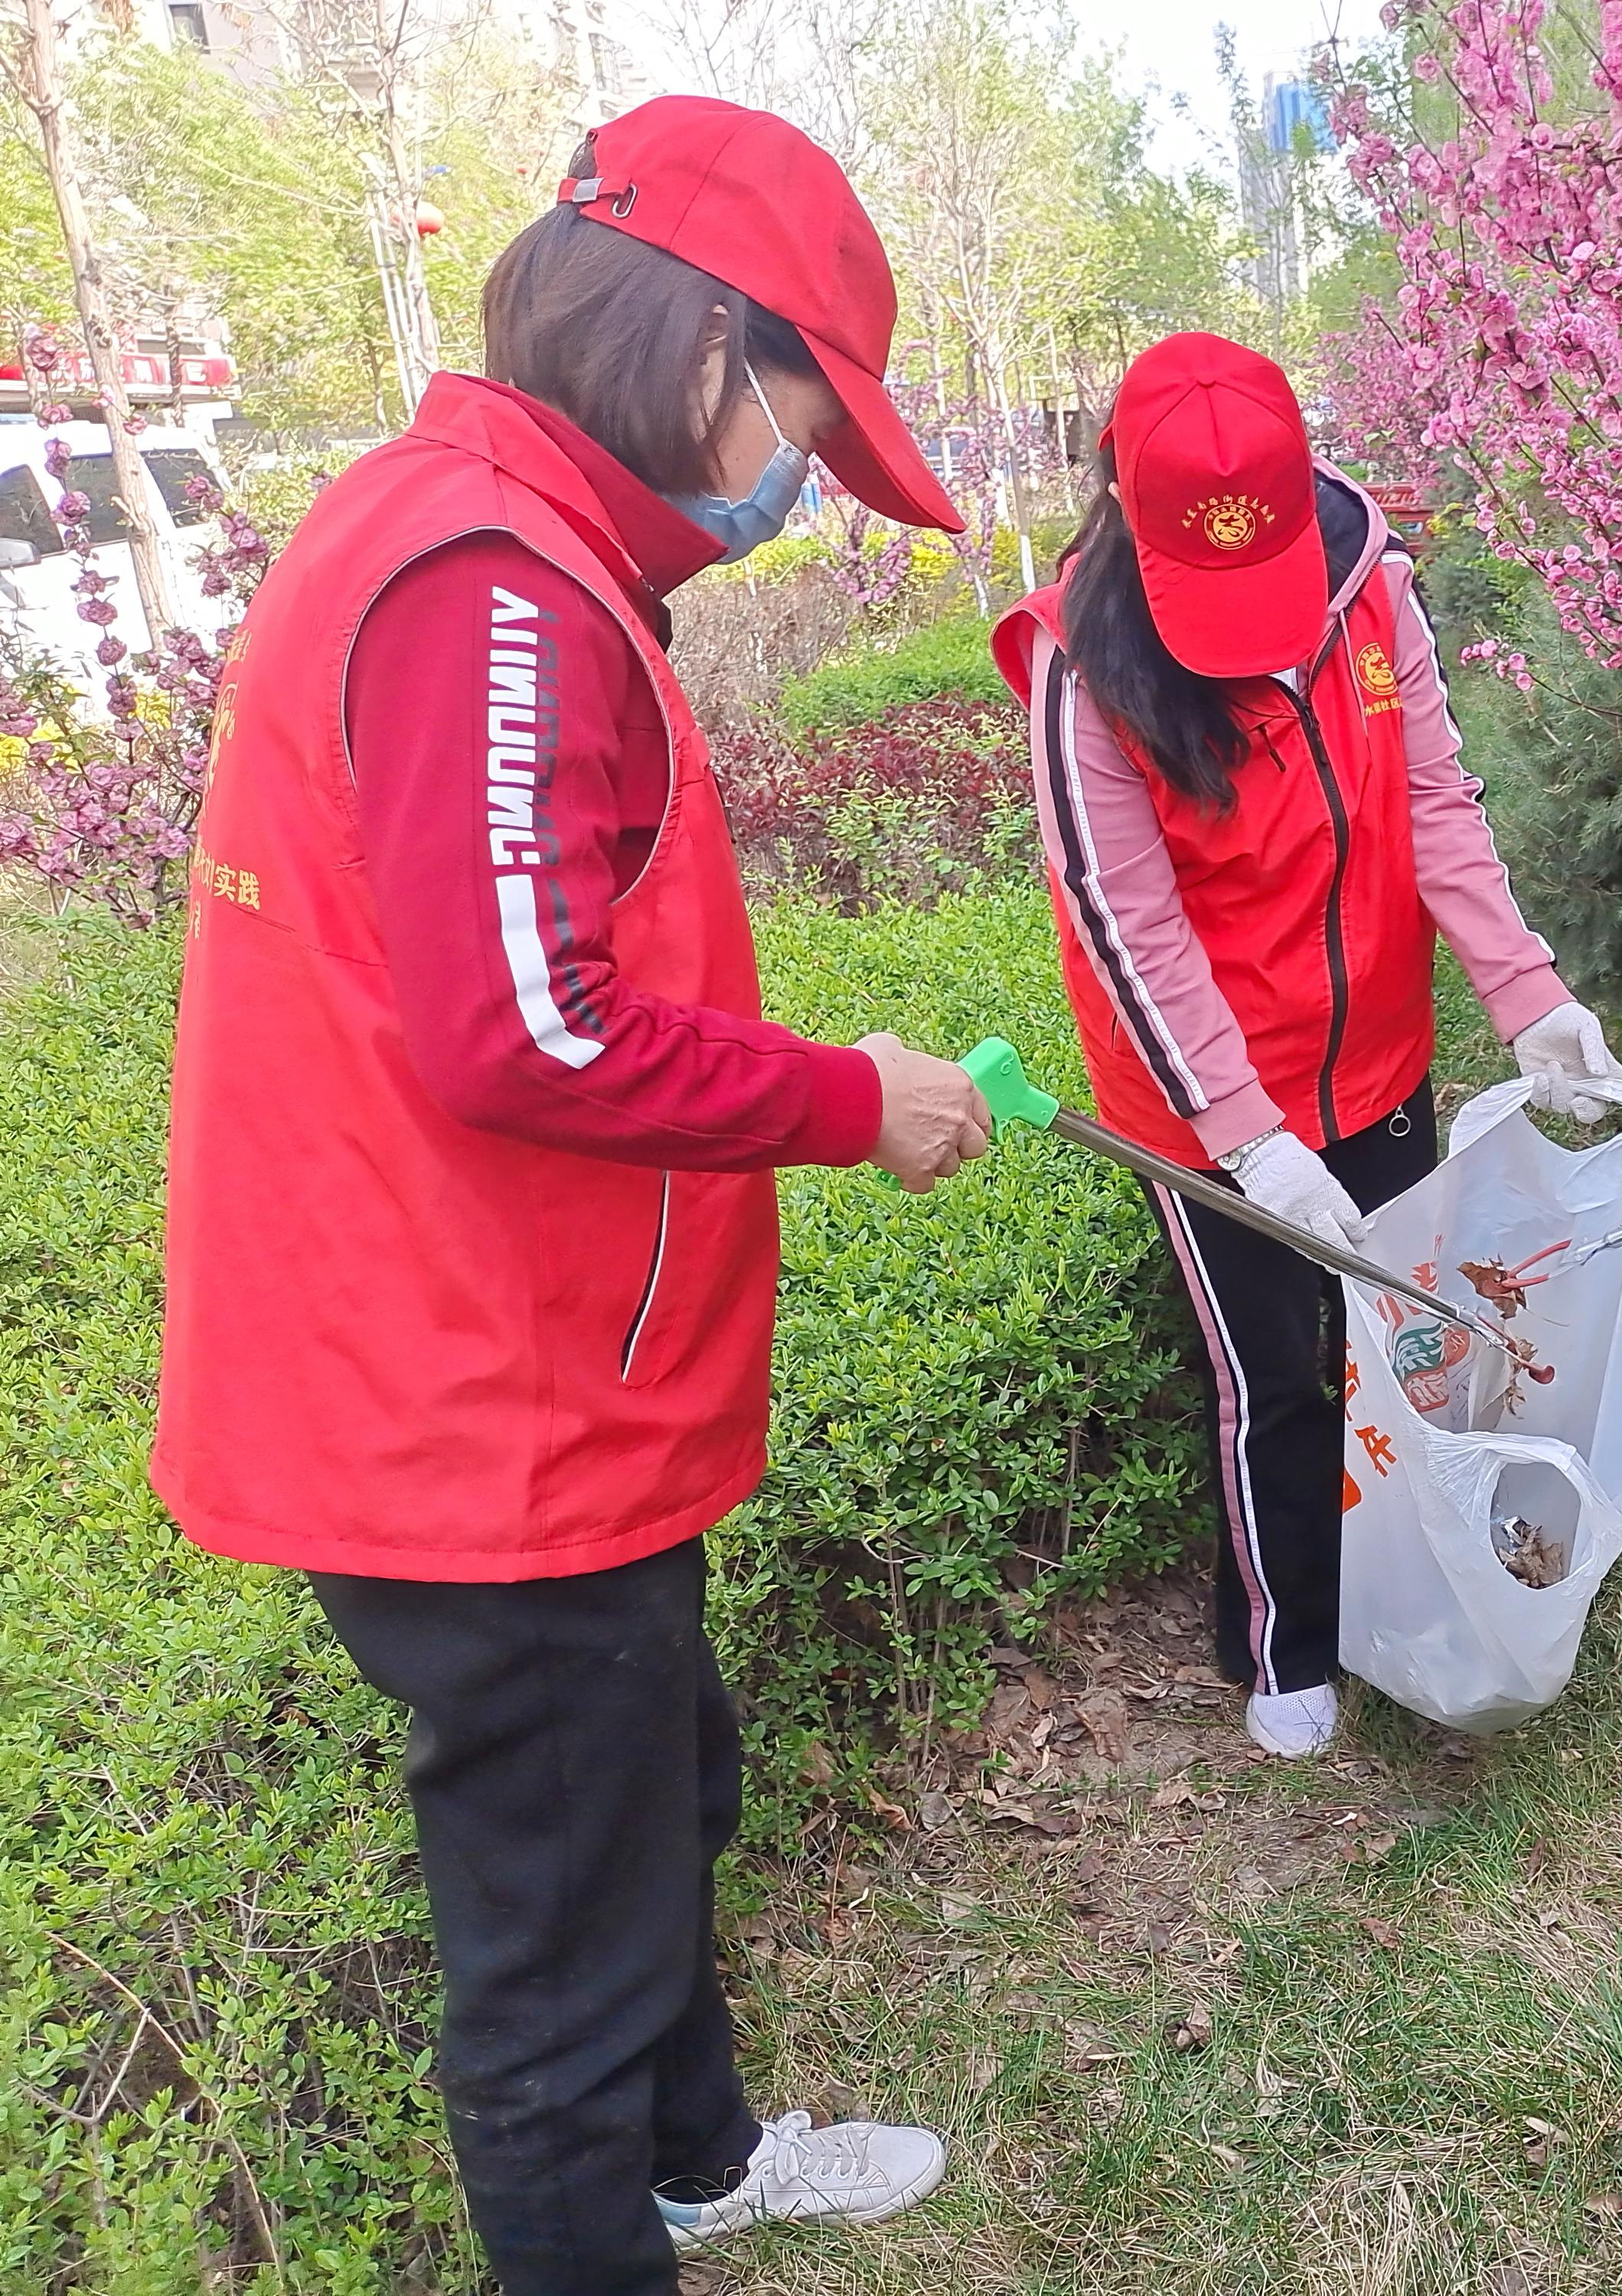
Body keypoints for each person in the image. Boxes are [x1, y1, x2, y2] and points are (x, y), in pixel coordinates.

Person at [152, 96, 990, 2292]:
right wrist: (845, 1098)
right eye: (811, 417)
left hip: (526, 1383)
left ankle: (703, 2156)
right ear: (704, 349)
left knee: (648, 1804)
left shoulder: (494, 537)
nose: (805, 484)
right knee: (550, 1968)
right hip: (474, 1418)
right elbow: (523, 1027)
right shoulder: (493, 588)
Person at [994, 331, 1622, 1760]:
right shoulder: (1080, 673)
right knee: (1275, 1369)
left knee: (1394, 1340)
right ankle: (1280, 1641)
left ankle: (1398, 1591)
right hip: (1206, 1105)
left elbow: (1437, 806)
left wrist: (1531, 1000)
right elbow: (1127, 928)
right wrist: (1247, 1137)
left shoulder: (1371, 590)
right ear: (1128, 516)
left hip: (1379, 1055)